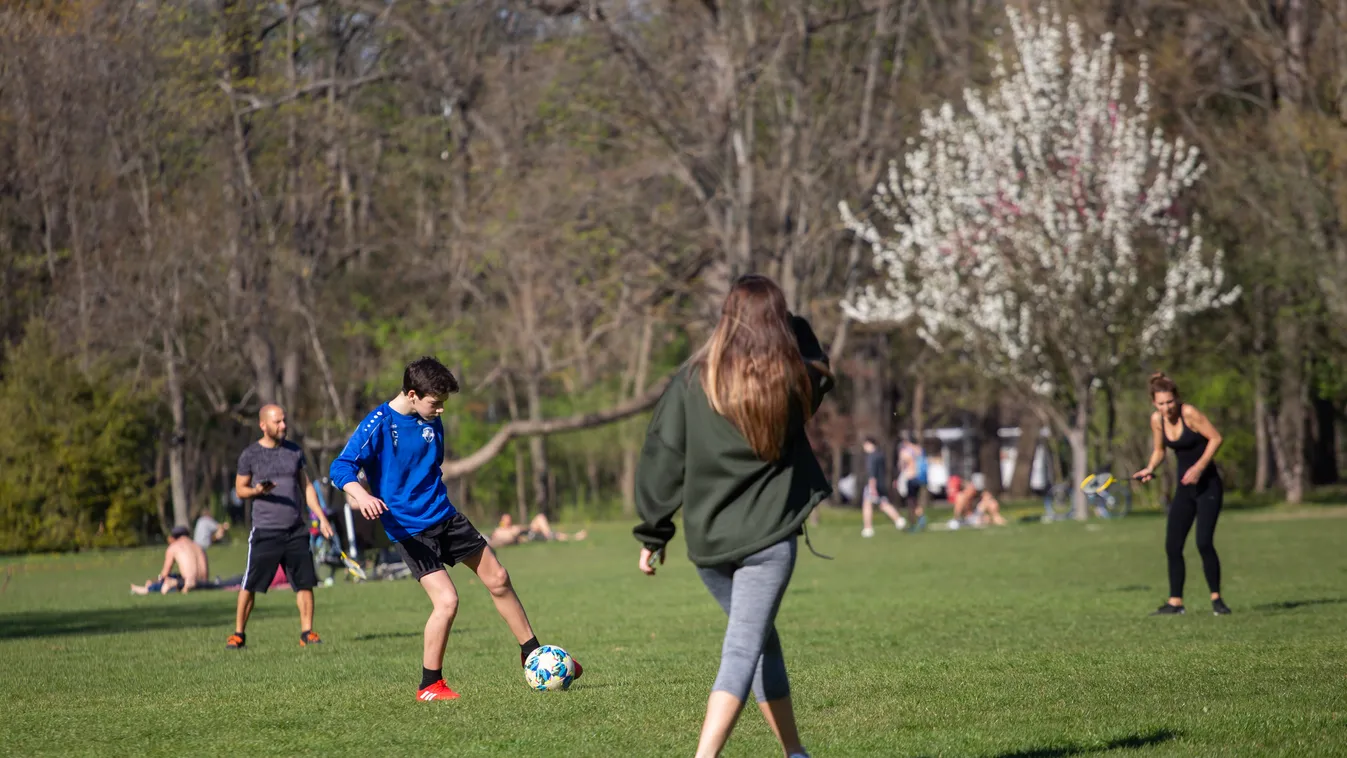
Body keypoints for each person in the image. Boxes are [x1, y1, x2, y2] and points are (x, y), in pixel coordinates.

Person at [634, 274, 833, 758]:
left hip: (709, 546)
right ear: (777, 325)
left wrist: (653, 533)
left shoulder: (690, 381)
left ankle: (795, 752)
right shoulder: (788, 382)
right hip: (769, 540)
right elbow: (822, 369)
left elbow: (662, 458)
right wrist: (789, 324)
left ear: (726, 319)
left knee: (760, 640)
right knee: (744, 648)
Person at [329, 356, 582, 702]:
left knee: (499, 578)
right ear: (413, 393)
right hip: (408, 529)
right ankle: (429, 685)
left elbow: (431, 467)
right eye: (436, 402)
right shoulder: (378, 422)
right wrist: (360, 494)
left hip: (445, 517)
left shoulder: (430, 420)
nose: (441, 410)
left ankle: (533, 654)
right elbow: (341, 466)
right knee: (447, 601)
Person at [228, 404, 335, 650]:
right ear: (263, 425)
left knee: (305, 582)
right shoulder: (250, 455)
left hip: (296, 529)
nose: (283, 426)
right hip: (265, 530)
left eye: (284, 420)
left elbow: (307, 487)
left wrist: (322, 517)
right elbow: (240, 489)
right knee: (250, 584)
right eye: (277, 422)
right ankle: (238, 634)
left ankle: (307, 632)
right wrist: (256, 490)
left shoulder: (294, 451)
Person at [1134, 372, 1231, 616]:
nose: (1167, 408)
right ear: (1154, 403)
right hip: (1184, 490)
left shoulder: (1190, 414)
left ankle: (1217, 599)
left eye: (1170, 402)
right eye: (1161, 403)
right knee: (1173, 545)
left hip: (1208, 486)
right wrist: (1149, 468)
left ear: (1176, 398)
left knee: (1203, 543)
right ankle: (1175, 602)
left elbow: (1216, 438)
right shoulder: (1157, 420)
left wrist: (1198, 468)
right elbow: (1159, 450)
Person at [133, 525, 212, 595]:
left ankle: (148, 589)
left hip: (188, 582)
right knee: (175, 576)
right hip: (204, 583)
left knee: (168, 579)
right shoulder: (198, 546)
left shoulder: (174, 547)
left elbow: (165, 574)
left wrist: (154, 581)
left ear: (173, 537)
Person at [860, 437, 906, 537]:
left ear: (869, 444)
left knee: (867, 505)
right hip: (882, 483)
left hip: (873, 484)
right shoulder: (881, 455)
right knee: (883, 504)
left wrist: (872, 487)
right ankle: (899, 520)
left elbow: (872, 473)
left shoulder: (871, 457)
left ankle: (868, 528)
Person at [488, 513, 587, 548]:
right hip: (527, 537)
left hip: (527, 531)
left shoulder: (513, 527)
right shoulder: (499, 531)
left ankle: (549, 534)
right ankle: (574, 537)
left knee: (540, 517)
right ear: (502, 521)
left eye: (509, 519)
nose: (508, 521)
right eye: (506, 519)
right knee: (553, 534)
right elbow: (503, 538)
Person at [896, 435, 928, 531]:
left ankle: (913, 524)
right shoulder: (919, 449)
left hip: (910, 477)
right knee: (915, 501)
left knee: (910, 502)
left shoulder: (905, 451)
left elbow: (901, 465)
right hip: (919, 478)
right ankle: (921, 517)